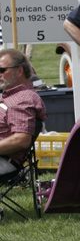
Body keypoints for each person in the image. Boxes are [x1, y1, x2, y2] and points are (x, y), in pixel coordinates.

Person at [0, 48, 46, 176]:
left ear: (19, 70)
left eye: (2, 70)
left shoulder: (21, 100)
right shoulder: (12, 96)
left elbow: (21, 139)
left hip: (5, 161)